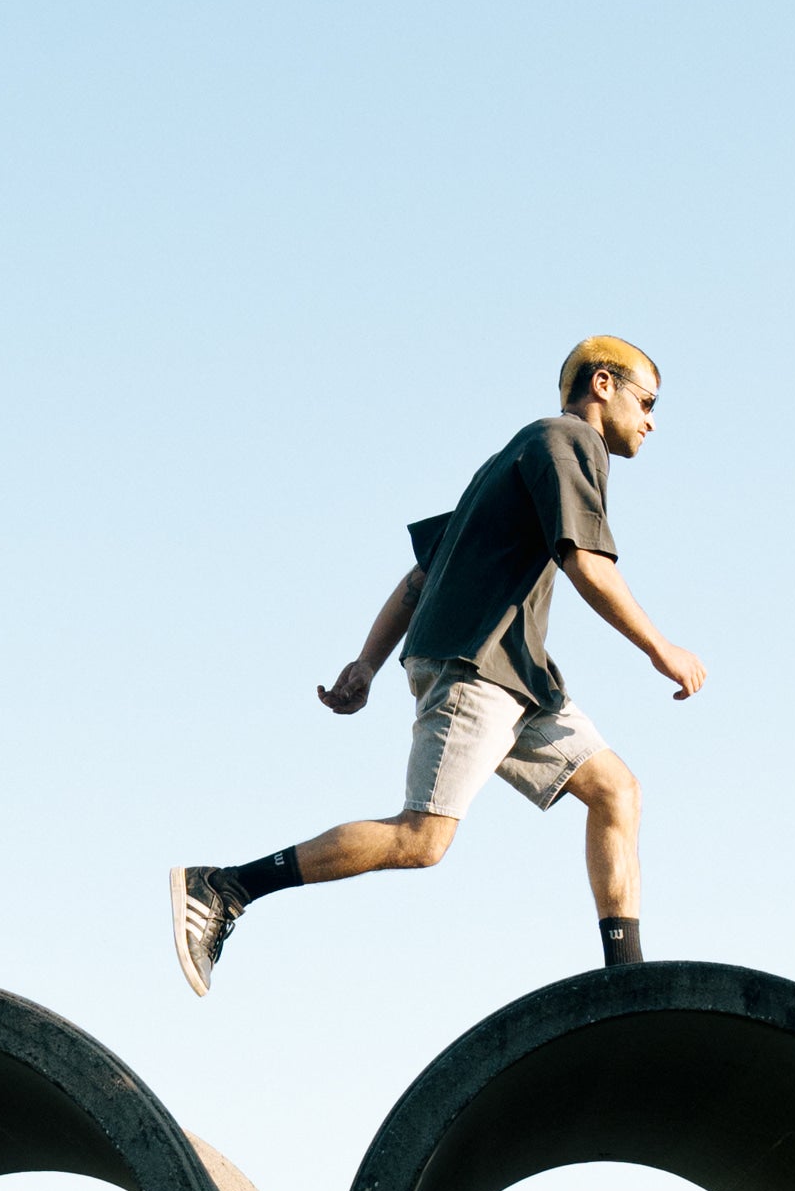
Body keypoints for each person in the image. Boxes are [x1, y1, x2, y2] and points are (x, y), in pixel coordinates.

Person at [171, 336, 707, 995]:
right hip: (474, 664)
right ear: (603, 385)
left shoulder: (513, 460)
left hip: (519, 674)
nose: (651, 421)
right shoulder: (565, 443)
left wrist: (367, 662)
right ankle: (226, 886)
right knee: (422, 839)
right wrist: (661, 648)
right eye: (647, 402)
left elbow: (422, 573)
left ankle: (627, 981)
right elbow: (586, 565)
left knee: (615, 790)